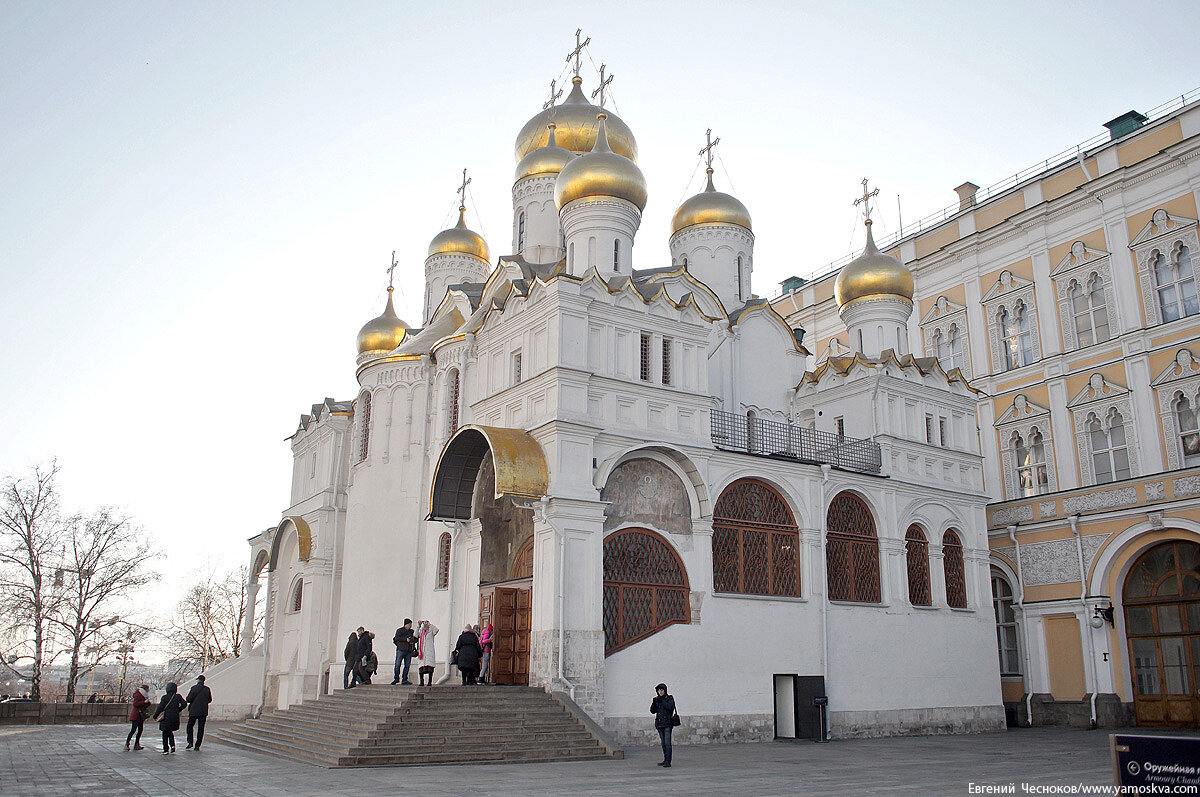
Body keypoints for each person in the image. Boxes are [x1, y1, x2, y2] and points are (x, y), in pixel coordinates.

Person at [151, 682, 187, 755]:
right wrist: (178, 709)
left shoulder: (165, 697)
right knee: (170, 732)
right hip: (174, 717)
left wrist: (155, 715)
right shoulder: (178, 697)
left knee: (165, 733)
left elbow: (160, 707)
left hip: (166, 717)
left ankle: (166, 749)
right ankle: (172, 745)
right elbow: (184, 704)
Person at [650, 683, 676, 768]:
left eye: (662, 690)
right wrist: (654, 703)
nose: (660, 692)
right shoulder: (657, 699)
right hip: (660, 724)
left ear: (665, 691)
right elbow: (652, 711)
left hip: (668, 724)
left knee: (667, 743)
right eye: (659, 690)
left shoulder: (669, 698)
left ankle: (668, 761)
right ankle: (665, 759)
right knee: (663, 743)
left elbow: (670, 707)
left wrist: (663, 701)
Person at [184, 675, 212, 751]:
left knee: (190, 726)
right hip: (203, 711)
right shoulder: (207, 689)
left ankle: (190, 742)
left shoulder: (194, 688)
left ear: (198, 680)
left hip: (194, 710)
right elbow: (209, 700)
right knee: (201, 728)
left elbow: (188, 699)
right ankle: (197, 745)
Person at [124, 684, 151, 751]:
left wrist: (147, 703)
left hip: (140, 715)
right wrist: (144, 702)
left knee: (140, 730)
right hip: (136, 715)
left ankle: (136, 744)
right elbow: (135, 704)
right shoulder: (139, 694)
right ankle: (127, 744)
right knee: (133, 730)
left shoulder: (144, 695)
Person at [392, 619, 416, 685]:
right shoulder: (399, 631)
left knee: (407, 665)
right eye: (409, 624)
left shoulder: (411, 632)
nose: (410, 626)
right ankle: (396, 678)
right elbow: (396, 638)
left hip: (408, 651)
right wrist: (405, 639)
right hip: (401, 650)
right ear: (406, 624)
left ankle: (404, 679)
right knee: (397, 664)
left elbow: (414, 639)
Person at [416, 620, 438, 686]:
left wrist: (430, 625)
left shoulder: (431, 631)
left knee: (430, 668)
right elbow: (415, 635)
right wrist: (418, 626)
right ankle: (421, 681)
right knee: (421, 668)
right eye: (424, 625)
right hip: (422, 652)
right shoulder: (421, 632)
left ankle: (429, 681)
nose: (425, 626)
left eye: (426, 625)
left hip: (429, 651)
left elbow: (436, 630)